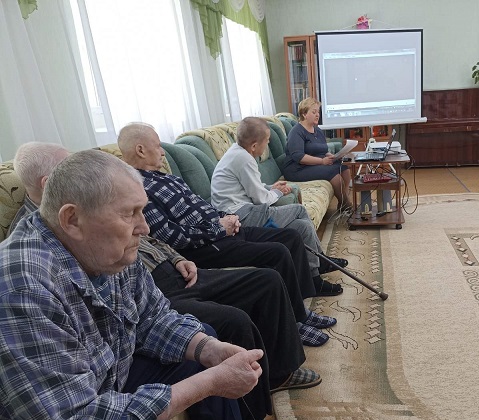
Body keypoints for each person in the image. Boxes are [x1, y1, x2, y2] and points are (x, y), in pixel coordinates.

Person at [9, 142, 319, 420]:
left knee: (203, 345)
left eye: (141, 211)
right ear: (72, 219)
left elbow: (154, 317)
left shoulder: (106, 249)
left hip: (109, 369)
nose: (144, 228)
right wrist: (210, 383)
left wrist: (209, 349)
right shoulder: (23, 285)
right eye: (129, 213)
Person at [118, 123, 342, 317]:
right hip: (208, 244)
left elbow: (202, 205)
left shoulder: (165, 178)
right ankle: (301, 313)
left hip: (224, 227)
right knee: (279, 251)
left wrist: (225, 218)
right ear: (141, 150)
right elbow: (170, 236)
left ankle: (304, 300)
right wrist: (219, 229)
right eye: (158, 146)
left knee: (291, 236)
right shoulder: (138, 189)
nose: (162, 152)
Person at [210, 116, 348, 287]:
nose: (268, 144)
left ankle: (315, 273)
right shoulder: (244, 159)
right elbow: (261, 199)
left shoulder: (237, 152)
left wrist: (270, 187)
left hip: (243, 211)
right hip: (240, 217)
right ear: (254, 146)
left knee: (302, 226)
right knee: (299, 210)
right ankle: (319, 266)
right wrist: (277, 192)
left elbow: (250, 187)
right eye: (267, 140)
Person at [282, 98, 352, 209]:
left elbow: (322, 150)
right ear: (304, 114)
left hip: (312, 165)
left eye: (318, 112)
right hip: (297, 169)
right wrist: (322, 161)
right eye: (313, 112)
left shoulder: (317, 130)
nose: (317, 115)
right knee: (333, 174)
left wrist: (331, 156)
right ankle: (346, 204)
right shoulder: (296, 132)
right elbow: (299, 157)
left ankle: (344, 200)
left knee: (344, 168)